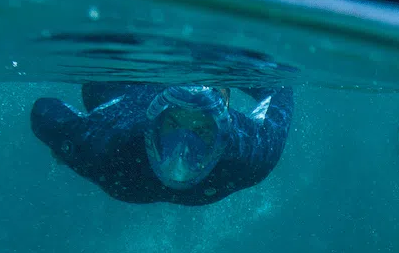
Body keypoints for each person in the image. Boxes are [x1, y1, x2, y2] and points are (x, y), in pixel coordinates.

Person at [31, 82, 293, 205]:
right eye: (172, 125)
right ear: (150, 127)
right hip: (117, 84)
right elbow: (278, 88)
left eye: (201, 130)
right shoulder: (108, 144)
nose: (181, 154)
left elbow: (44, 111)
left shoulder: (101, 150)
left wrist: (68, 147)